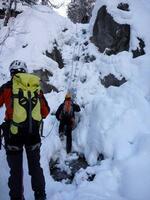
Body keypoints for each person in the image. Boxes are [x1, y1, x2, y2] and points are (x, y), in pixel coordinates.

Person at [0, 60, 50, 200]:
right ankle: (40, 196)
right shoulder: (35, 88)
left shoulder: (6, 87)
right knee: (35, 168)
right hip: (32, 134)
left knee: (15, 172)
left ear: (11, 73)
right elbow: (45, 112)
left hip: (13, 135)